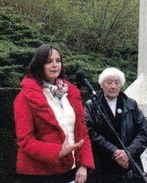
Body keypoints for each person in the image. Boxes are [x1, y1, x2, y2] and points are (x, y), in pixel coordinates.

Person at [14, 44, 94, 183]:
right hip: (39, 174)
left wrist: (83, 164)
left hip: (70, 170)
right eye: (49, 61)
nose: (55, 65)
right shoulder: (24, 97)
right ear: (39, 65)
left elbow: (82, 132)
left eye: (58, 61)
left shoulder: (70, 93)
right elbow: (25, 141)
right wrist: (58, 152)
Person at [85, 67, 147, 183]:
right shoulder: (91, 105)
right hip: (102, 167)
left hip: (129, 167)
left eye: (117, 83)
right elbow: (90, 133)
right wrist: (114, 152)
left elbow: (142, 133)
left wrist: (128, 153)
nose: (113, 86)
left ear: (121, 85)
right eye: (109, 82)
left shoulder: (131, 105)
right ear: (102, 85)